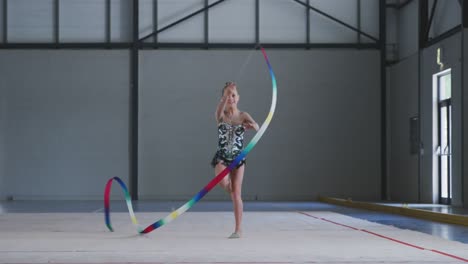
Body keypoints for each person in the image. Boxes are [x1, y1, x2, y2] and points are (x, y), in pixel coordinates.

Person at [211, 81, 259, 239]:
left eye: (233, 95)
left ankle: (238, 229)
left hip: (238, 158)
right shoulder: (220, 114)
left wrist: (252, 126)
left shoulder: (243, 115)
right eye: (227, 94)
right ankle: (229, 186)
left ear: (238, 98)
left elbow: (258, 127)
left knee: (236, 194)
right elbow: (219, 108)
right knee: (223, 182)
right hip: (222, 156)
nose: (230, 97)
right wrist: (225, 96)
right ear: (223, 97)